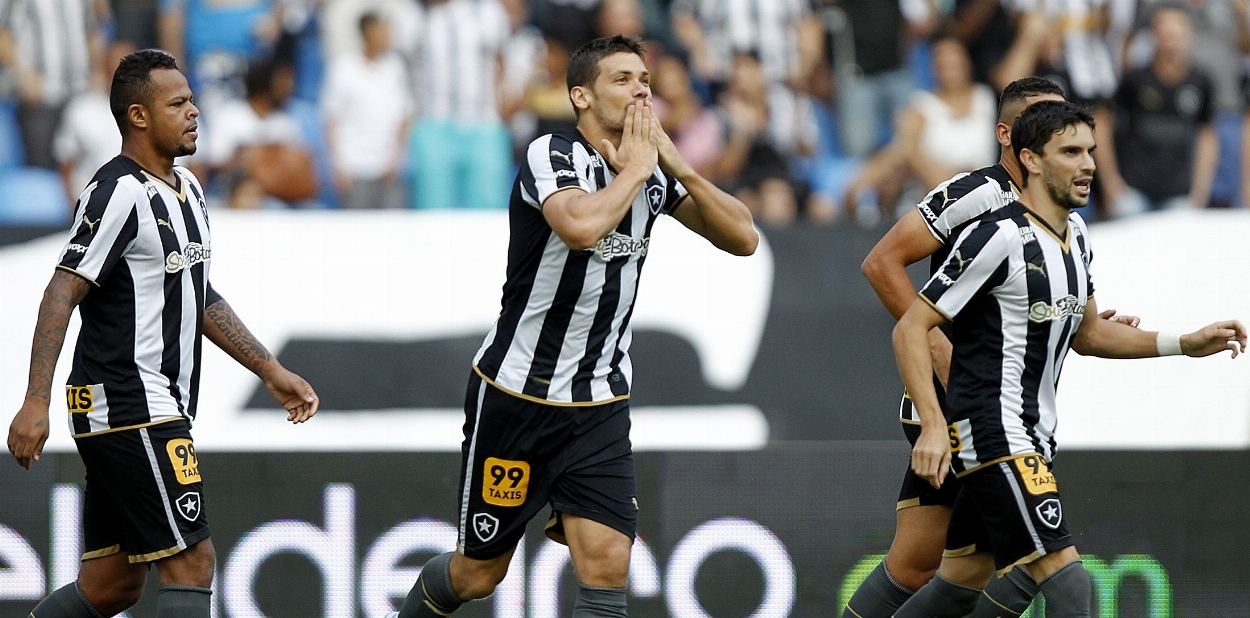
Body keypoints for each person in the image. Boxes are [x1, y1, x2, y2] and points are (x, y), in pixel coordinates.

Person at [384, 34, 758, 618]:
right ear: (581, 95)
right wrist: (637, 171)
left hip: (598, 401)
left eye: (645, 80)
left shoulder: (652, 171)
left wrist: (675, 162)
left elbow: (744, 238)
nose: (640, 90)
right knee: (477, 575)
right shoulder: (551, 153)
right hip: (518, 396)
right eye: (622, 79)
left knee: (607, 566)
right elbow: (580, 227)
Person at [889, 99, 1246, 617]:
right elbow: (910, 327)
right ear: (1031, 159)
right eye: (1071, 152)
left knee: (961, 584)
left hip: (1034, 434)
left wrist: (1183, 342)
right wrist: (930, 424)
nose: (1089, 165)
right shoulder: (997, 235)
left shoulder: (1076, 235)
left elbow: (1092, 333)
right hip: (992, 432)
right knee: (1069, 582)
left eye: (1091, 152)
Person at [5, 49, 319, 618]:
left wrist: (270, 369)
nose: (194, 112)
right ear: (139, 116)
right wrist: (34, 400)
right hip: (128, 399)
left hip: (150, 403)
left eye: (192, 100)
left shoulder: (189, 189)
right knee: (192, 562)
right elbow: (62, 289)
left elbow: (197, 294)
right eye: (178, 104)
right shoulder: (117, 191)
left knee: (111, 585)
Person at [1098, 4, 1218, 212]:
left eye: (1177, 31)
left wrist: (1201, 190)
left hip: (1179, 194)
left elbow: (1207, 135)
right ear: (1153, 35)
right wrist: (1111, 183)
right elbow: (1101, 121)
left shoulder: (1201, 81)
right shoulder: (1134, 80)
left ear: (1189, 34)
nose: (1171, 38)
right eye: (1165, 31)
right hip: (1134, 191)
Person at [322, 11, 413, 209]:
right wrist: (338, 166)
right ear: (367, 33)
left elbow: (405, 117)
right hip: (354, 169)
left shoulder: (395, 68)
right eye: (383, 29)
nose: (389, 35)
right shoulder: (343, 68)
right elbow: (331, 119)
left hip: (389, 170)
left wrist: (397, 159)